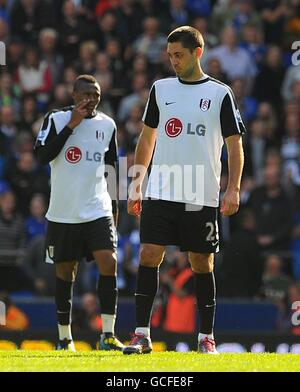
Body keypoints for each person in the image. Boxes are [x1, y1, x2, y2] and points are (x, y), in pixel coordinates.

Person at [124, 26, 245, 355]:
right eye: (170, 56)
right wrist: (137, 183)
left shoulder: (220, 94)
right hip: (161, 189)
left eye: (179, 55)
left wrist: (232, 188)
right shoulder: (160, 89)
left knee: (201, 262)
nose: (173, 61)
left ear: (197, 52)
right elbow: (147, 138)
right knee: (149, 254)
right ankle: (141, 334)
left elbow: (235, 146)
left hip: (200, 193)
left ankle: (206, 337)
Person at [35, 74, 123, 352]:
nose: (91, 99)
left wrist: (115, 210)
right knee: (65, 272)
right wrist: (71, 126)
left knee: (109, 262)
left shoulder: (107, 125)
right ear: (74, 95)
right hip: (63, 212)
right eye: (86, 94)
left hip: (97, 208)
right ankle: (65, 338)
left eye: (96, 94)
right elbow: (41, 156)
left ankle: (107, 335)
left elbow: (111, 170)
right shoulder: (56, 119)